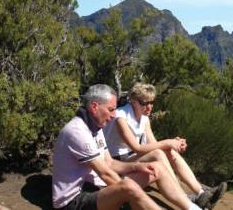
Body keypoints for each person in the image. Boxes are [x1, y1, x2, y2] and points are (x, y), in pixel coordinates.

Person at [52, 84, 202, 210]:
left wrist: (137, 167)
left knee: (156, 168)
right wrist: (133, 194)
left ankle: (193, 208)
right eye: (110, 109)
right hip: (74, 201)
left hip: (94, 187)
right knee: (129, 187)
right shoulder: (78, 132)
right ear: (94, 107)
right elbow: (106, 173)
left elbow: (109, 163)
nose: (113, 115)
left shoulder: (95, 128)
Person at [104, 83, 226, 209]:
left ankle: (200, 193)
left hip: (131, 158)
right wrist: (167, 142)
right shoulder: (121, 117)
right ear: (133, 100)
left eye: (151, 102)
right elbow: (137, 148)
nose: (149, 107)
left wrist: (173, 144)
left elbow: (153, 144)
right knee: (158, 152)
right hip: (117, 162)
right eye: (144, 103)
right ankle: (183, 197)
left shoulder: (144, 118)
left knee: (167, 150)